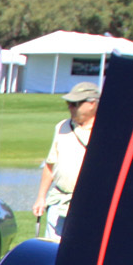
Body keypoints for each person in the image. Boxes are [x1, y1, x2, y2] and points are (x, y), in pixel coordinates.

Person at [33, 82, 98, 240]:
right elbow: (50, 165)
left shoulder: (107, 131)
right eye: (68, 103)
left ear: (92, 104)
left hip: (90, 204)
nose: (70, 107)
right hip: (59, 200)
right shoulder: (61, 127)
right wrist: (41, 197)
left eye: (75, 104)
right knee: (53, 250)